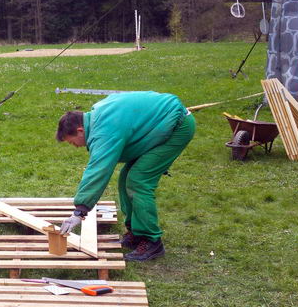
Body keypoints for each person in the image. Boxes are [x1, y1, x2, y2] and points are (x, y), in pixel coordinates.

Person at [56, 91, 195, 261]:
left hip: (177, 127)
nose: (75, 146)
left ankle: (151, 241)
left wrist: (80, 210)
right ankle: (136, 232)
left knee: (138, 180)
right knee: (125, 178)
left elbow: (98, 170)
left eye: (72, 142)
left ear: (80, 130)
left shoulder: (104, 130)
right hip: (159, 125)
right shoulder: (98, 116)